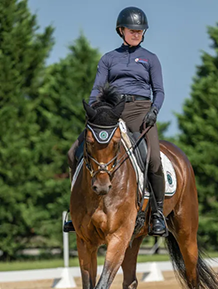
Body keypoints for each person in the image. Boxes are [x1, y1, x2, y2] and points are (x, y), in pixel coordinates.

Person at [64, 6, 167, 236]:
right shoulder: (109, 58)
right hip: (111, 112)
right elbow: (97, 90)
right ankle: (75, 212)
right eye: (132, 30)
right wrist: (95, 111)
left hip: (141, 111)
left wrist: (154, 110)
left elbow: (159, 91)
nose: (136, 34)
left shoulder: (151, 58)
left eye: (140, 31)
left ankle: (158, 213)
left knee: (152, 159)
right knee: (73, 153)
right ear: (121, 30)